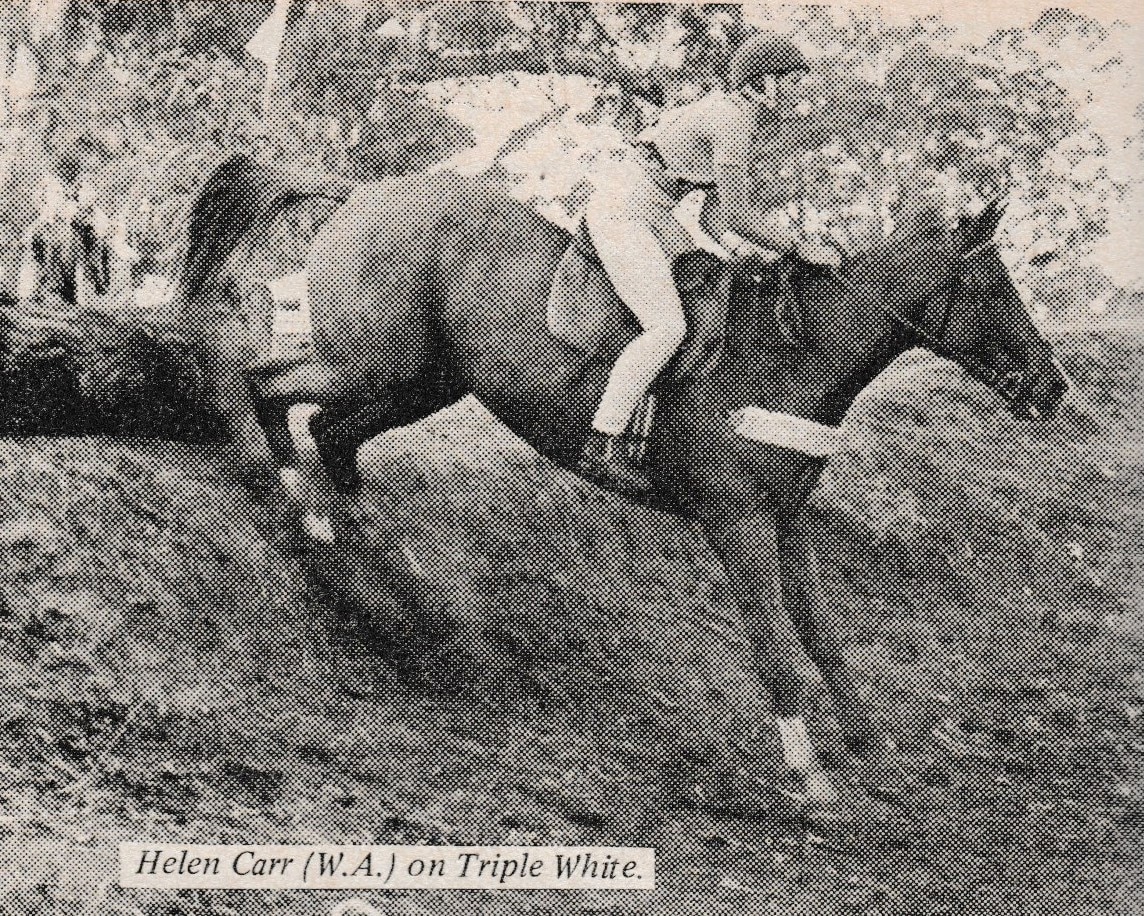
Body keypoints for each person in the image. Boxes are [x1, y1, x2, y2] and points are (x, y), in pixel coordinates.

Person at [578, 33, 841, 495]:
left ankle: (661, 434)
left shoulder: (735, 113)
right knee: (667, 328)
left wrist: (746, 250)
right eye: (795, 81)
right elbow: (739, 214)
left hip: (654, 211)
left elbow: (715, 219)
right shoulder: (733, 118)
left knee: (708, 297)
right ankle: (601, 442)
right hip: (624, 207)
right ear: (764, 83)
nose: (801, 91)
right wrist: (798, 248)